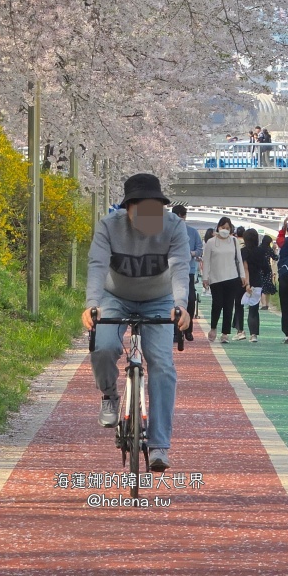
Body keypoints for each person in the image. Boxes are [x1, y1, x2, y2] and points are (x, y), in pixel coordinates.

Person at [83, 172, 190, 472]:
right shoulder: (108, 227)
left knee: (162, 364)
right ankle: (109, 394)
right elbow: (97, 265)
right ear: (127, 208)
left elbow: (181, 268)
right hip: (115, 295)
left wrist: (181, 306)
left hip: (159, 298)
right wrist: (92, 304)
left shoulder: (174, 227)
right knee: (103, 346)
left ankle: (159, 446)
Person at [202, 216, 247, 343]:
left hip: (232, 277)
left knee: (229, 305)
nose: (225, 230)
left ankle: (225, 333)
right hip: (216, 279)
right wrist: (205, 278)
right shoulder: (211, 242)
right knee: (217, 304)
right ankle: (213, 328)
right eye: (223, 227)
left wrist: (242, 275)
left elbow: (239, 259)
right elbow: (206, 261)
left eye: (227, 228)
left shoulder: (234, 241)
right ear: (218, 227)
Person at [171, 204, 203, 341]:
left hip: (188, 270)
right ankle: (174, 331)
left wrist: (191, 253)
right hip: (169, 271)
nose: (180, 219)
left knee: (189, 299)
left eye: (182, 217)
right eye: (177, 217)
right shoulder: (166, 231)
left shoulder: (193, 232)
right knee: (172, 301)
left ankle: (188, 329)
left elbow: (200, 250)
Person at [240, 228, 267, 340]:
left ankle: (239, 330)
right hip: (257, 281)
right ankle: (253, 334)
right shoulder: (260, 251)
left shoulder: (243, 251)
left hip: (243, 281)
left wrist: (247, 283)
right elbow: (266, 268)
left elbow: (243, 267)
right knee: (254, 309)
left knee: (239, 306)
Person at [258, 233, 278, 309]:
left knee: (262, 287)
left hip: (260, 269)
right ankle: (266, 304)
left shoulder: (259, 248)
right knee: (268, 286)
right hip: (267, 269)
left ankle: (263, 304)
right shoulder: (269, 249)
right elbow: (275, 258)